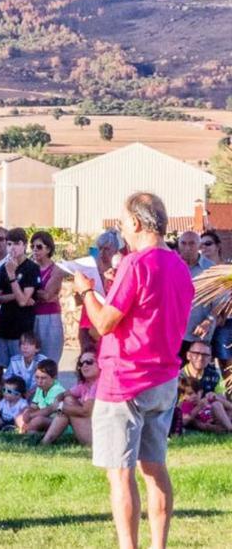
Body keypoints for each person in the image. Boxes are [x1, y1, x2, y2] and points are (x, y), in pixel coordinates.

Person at [74, 192, 192, 549]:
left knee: (120, 473)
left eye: (124, 223)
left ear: (137, 224)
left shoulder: (136, 263)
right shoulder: (179, 266)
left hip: (126, 379)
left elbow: (105, 324)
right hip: (164, 378)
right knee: (154, 467)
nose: (123, 230)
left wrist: (86, 293)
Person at [0, 228, 39, 394]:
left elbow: (24, 301)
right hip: (2, 327)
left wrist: (12, 277)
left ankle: (19, 409)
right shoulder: (4, 268)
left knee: (19, 375)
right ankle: (1, 406)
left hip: (21, 330)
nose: (12, 248)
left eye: (17, 244)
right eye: (9, 243)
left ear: (24, 245)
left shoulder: (31, 268)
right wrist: (17, 295)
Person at [42, 351, 102, 445]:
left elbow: (86, 411)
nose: (84, 366)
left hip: (98, 439)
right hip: (91, 430)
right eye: (81, 363)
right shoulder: (84, 385)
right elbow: (63, 394)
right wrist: (58, 403)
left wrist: (60, 407)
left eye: (89, 362)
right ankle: (45, 442)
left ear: (100, 364)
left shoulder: (99, 384)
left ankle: (45, 442)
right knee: (68, 400)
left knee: (67, 405)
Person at [80, 229, 124, 356]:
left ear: (116, 251)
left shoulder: (119, 273)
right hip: (88, 322)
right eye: (100, 249)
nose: (102, 253)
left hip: (106, 324)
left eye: (107, 249)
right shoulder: (91, 270)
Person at [30, 231, 65, 363]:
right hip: (32, 316)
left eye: (39, 247)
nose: (35, 250)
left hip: (49, 318)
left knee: (49, 361)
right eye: (32, 246)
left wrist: (29, 291)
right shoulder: (30, 267)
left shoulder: (56, 270)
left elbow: (46, 295)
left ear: (48, 248)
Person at [16, 359, 66, 438]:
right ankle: (32, 432)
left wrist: (31, 416)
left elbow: (49, 410)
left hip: (57, 420)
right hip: (44, 418)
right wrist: (27, 412)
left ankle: (29, 432)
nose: (39, 381)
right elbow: (33, 406)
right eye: (37, 377)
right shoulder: (40, 388)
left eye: (43, 378)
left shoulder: (57, 389)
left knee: (38, 420)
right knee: (19, 417)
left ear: (54, 378)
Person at [0, 332, 46, 404]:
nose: (25, 347)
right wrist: (14, 391)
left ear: (37, 349)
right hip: (18, 393)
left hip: (35, 394)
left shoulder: (42, 361)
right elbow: (5, 379)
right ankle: (3, 411)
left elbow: (48, 382)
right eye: (23, 344)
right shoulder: (14, 360)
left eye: (30, 344)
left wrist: (29, 393)